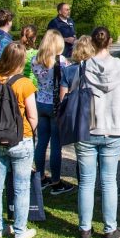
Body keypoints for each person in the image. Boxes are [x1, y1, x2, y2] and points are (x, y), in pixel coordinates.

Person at [75, 27, 120, 238]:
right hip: (114, 127)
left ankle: (85, 230)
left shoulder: (83, 67)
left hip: (89, 128)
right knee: (109, 180)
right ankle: (109, 229)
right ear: (110, 42)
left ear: (92, 42)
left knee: (87, 182)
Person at [0, 42, 38, 238]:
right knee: (21, 187)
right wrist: (29, 133)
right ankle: (19, 230)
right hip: (20, 138)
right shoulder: (24, 83)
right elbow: (32, 115)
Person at [31, 29, 73, 195]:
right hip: (55, 104)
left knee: (42, 141)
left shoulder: (36, 60)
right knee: (56, 144)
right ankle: (56, 181)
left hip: (40, 101)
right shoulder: (61, 61)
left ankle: (40, 177)